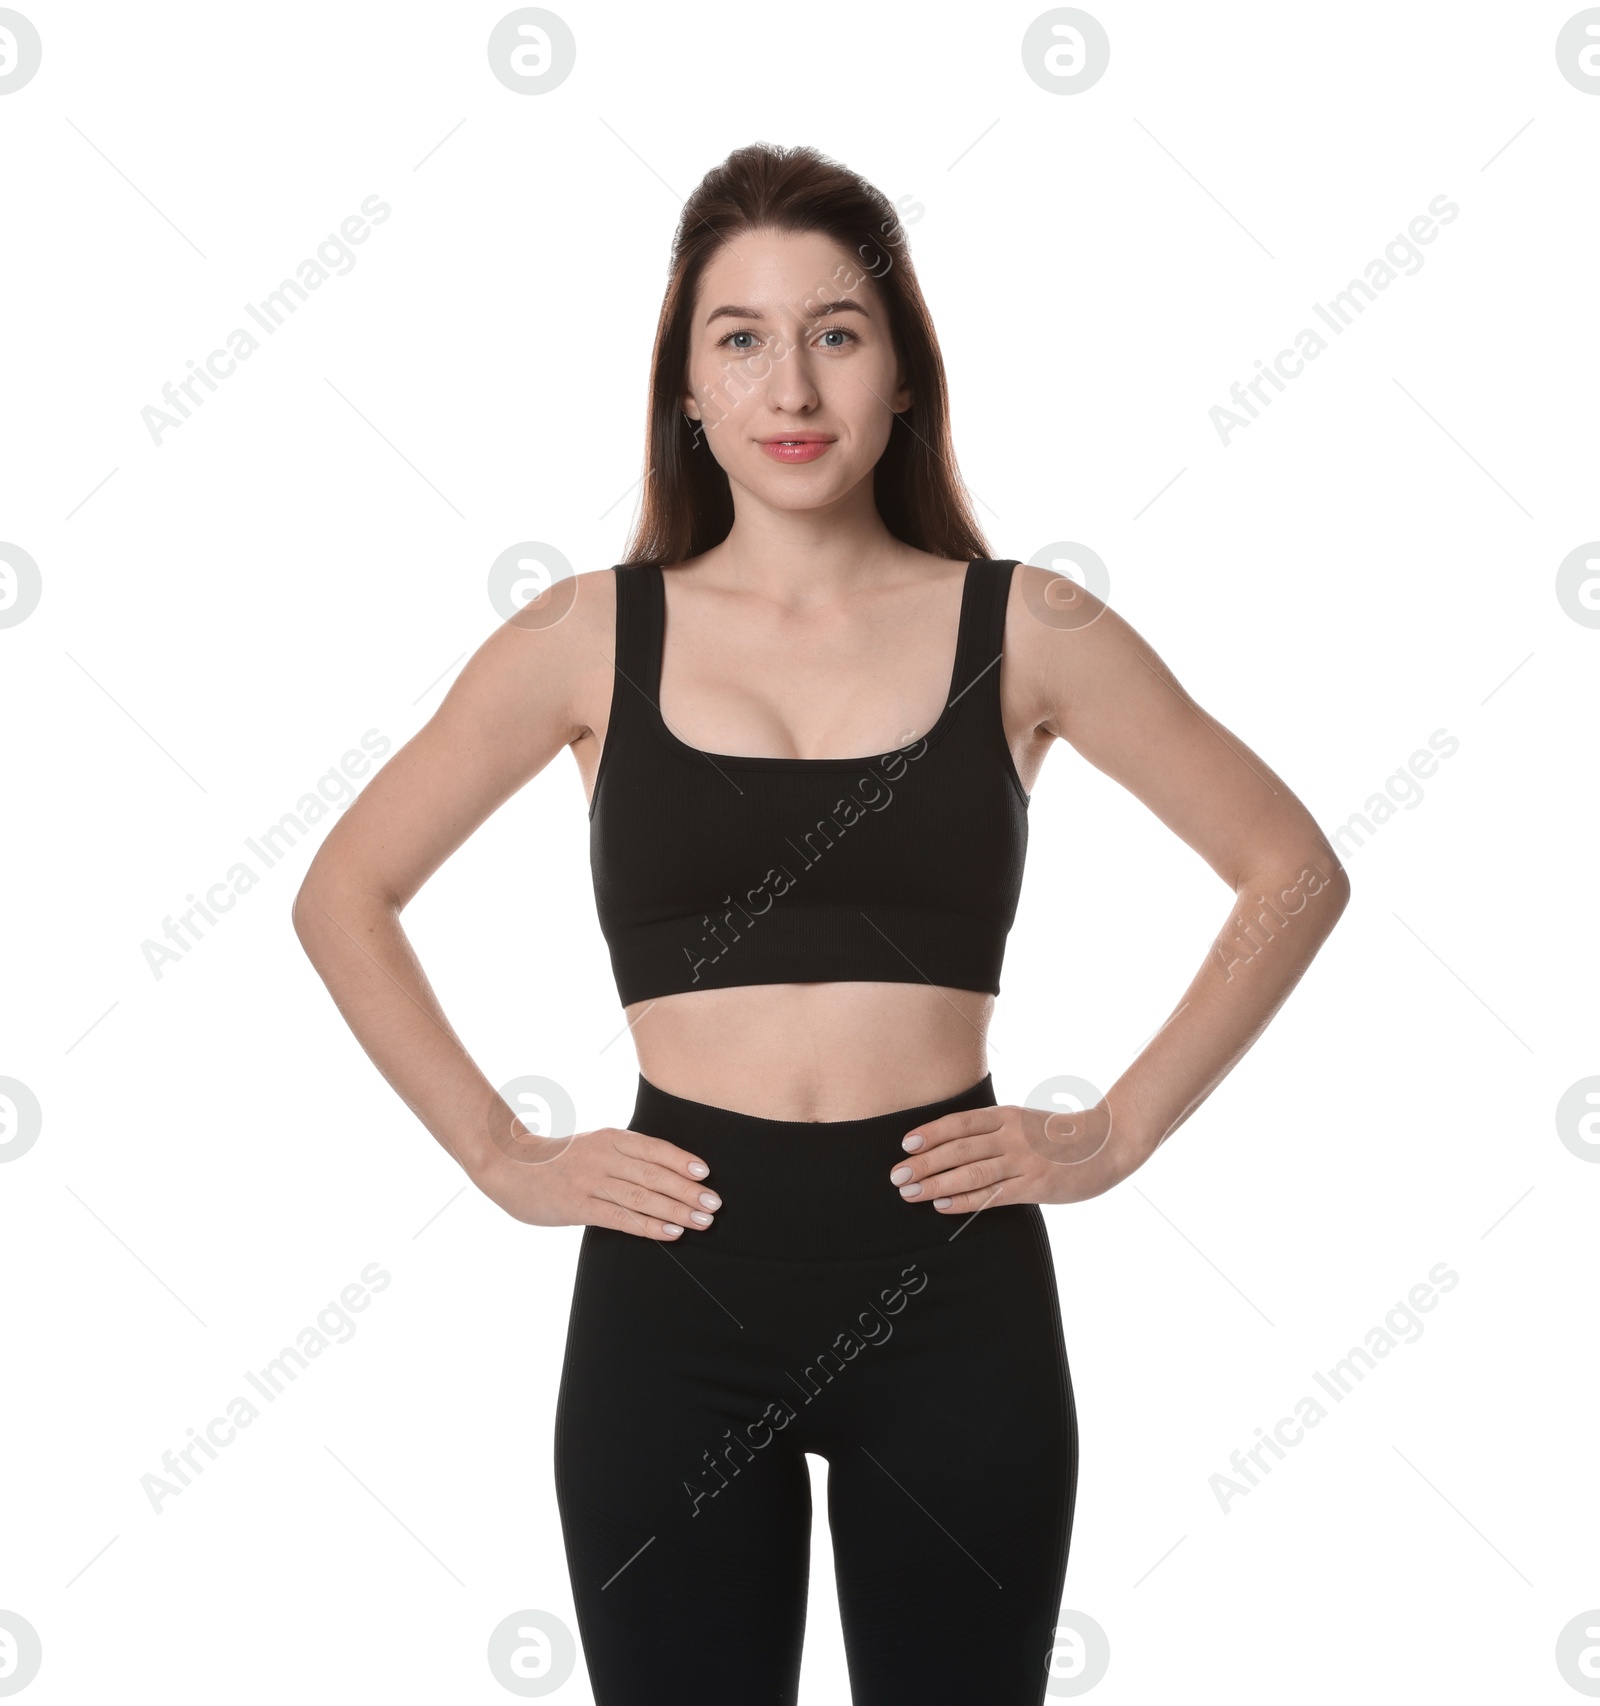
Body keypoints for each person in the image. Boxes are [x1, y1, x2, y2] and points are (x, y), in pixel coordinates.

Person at [293, 141, 1350, 1705]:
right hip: (675, 1295)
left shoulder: (1030, 624)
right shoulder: (584, 636)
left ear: (906, 374)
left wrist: (1119, 1132)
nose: (791, 382)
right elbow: (344, 897)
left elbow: (1291, 871)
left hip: (954, 1292)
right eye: (741, 337)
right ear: (690, 387)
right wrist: (501, 1154)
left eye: (838, 332)